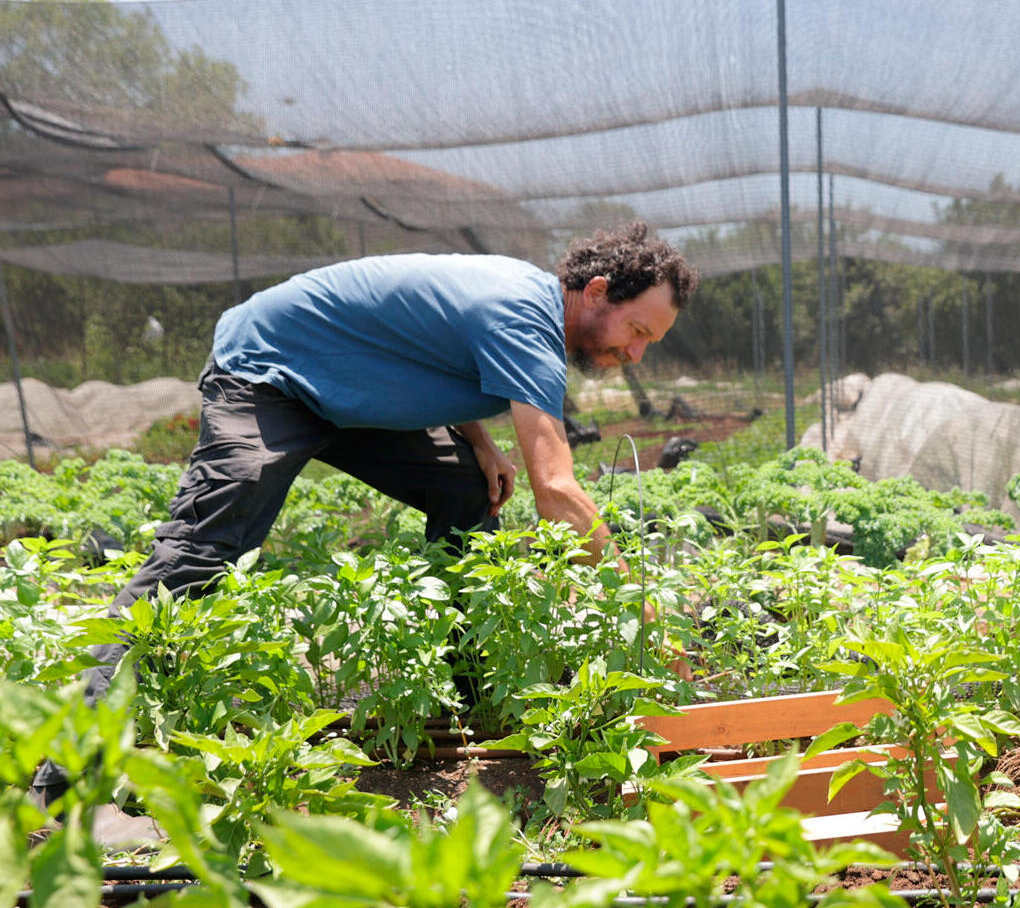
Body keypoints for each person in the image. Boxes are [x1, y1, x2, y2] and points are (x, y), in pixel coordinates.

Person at [30, 221, 697, 833]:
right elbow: (555, 488)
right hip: (271, 369)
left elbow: (429, 348)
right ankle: (58, 779)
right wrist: (630, 597)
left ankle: (477, 701)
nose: (635, 354)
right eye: (637, 331)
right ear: (598, 291)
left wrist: (478, 440)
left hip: (346, 385)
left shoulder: (526, 308)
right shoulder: (524, 312)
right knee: (202, 551)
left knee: (470, 488)